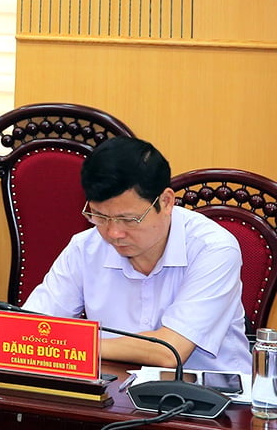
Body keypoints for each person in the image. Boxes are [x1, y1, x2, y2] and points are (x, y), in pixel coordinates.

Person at [23, 136, 251, 373]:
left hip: (214, 401)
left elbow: (170, 351)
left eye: (128, 219)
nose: (113, 233)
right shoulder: (85, 248)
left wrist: (72, 346)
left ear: (166, 201)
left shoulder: (213, 248)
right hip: (111, 396)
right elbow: (30, 329)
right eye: (100, 217)